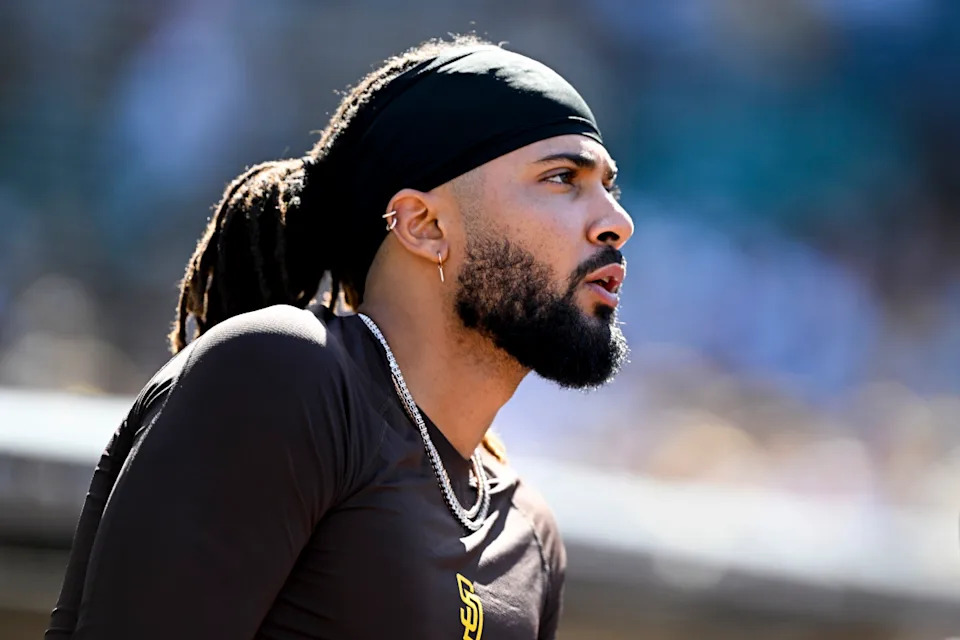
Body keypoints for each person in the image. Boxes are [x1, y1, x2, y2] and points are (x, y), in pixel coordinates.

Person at [46, 34, 632, 639]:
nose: (618, 222)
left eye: (609, 189)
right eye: (563, 178)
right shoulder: (285, 376)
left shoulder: (529, 535)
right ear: (425, 226)